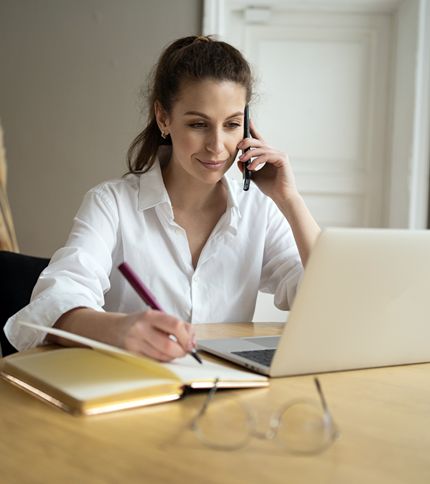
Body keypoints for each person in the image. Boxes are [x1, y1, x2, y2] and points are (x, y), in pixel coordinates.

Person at [4, 35, 320, 362]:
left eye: (232, 125)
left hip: (224, 391)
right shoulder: (111, 203)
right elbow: (53, 301)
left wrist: (290, 199)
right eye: (198, 124)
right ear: (163, 118)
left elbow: (323, 301)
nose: (217, 145)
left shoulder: (261, 210)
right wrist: (120, 329)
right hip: (134, 390)